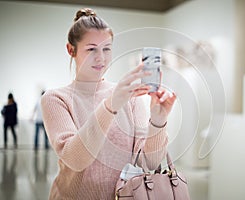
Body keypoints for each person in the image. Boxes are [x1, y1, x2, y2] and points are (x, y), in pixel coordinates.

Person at [41, 8, 176, 199]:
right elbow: (76, 160)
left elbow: (149, 163)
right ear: (71, 50)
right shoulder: (55, 99)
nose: (101, 58)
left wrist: (158, 120)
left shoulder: (130, 96)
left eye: (106, 49)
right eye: (91, 49)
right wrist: (110, 105)